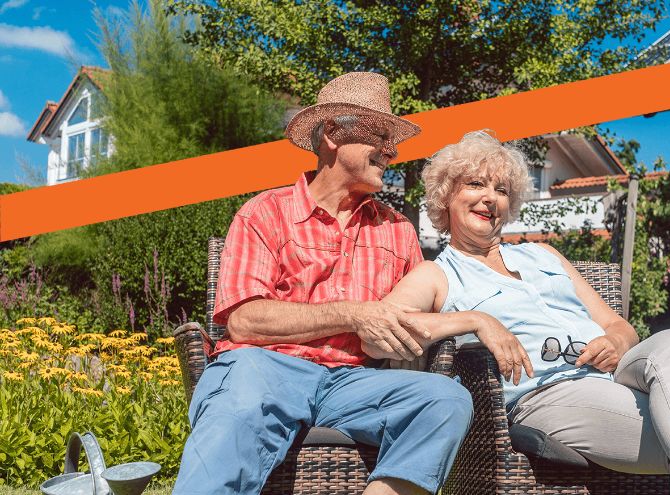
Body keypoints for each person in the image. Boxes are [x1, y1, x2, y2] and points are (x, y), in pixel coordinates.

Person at [378, 130, 670, 495]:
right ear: (446, 197)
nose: (490, 198)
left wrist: (615, 341)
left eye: (502, 190)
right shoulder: (438, 274)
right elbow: (380, 330)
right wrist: (476, 320)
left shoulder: (544, 255)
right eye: (476, 184)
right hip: (546, 393)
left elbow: (616, 323)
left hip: (616, 375)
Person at [174, 73, 483, 495]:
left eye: (393, 140)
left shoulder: (397, 230)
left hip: (357, 382)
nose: (391, 151)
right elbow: (245, 322)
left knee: (445, 399)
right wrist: (354, 314)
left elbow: (409, 327)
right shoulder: (265, 212)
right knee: (239, 402)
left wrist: (472, 320)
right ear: (334, 134)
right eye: (379, 134)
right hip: (265, 367)